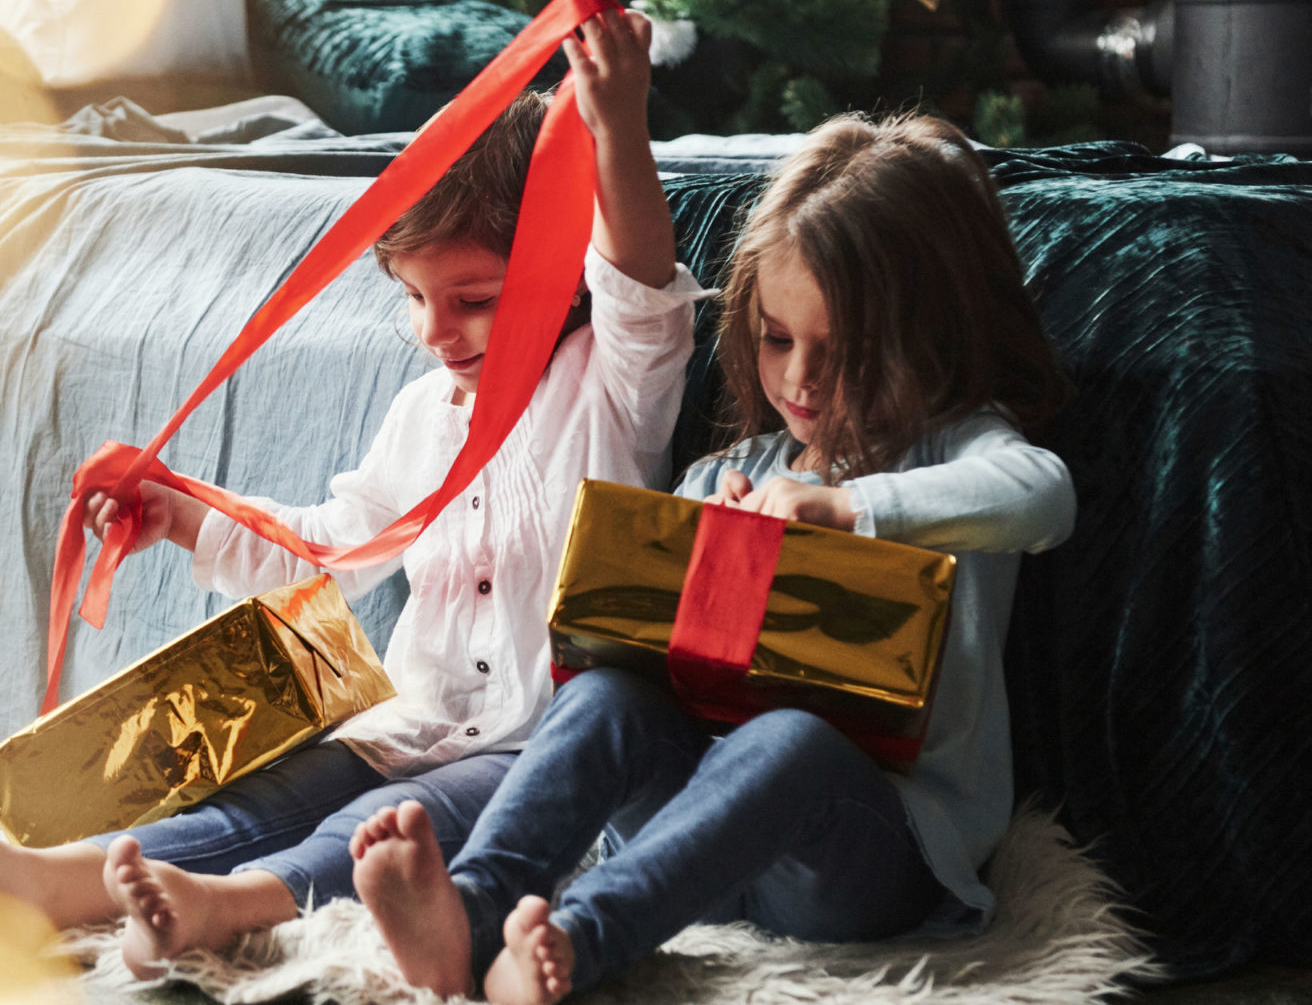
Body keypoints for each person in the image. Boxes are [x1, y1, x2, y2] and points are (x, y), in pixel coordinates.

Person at [0, 8, 710, 978]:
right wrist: (182, 514)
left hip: (535, 748)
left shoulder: (613, 379)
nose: (436, 331)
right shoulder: (423, 413)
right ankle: (50, 883)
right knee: (272, 790)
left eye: (472, 299)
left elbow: (638, 271)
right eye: (413, 297)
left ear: (555, 267)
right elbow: (334, 548)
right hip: (412, 722)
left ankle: (218, 909)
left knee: (379, 826)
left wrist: (617, 120)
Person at [349, 110, 1078, 1005]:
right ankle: (469, 911)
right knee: (606, 697)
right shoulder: (735, 470)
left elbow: (1043, 496)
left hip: (867, 860)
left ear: (926, 332)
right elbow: (642, 648)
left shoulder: (958, 453)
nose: (801, 381)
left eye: (840, 352)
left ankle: (578, 941)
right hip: (696, 843)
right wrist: (707, 541)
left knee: (790, 741)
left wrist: (851, 510)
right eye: (778, 340)